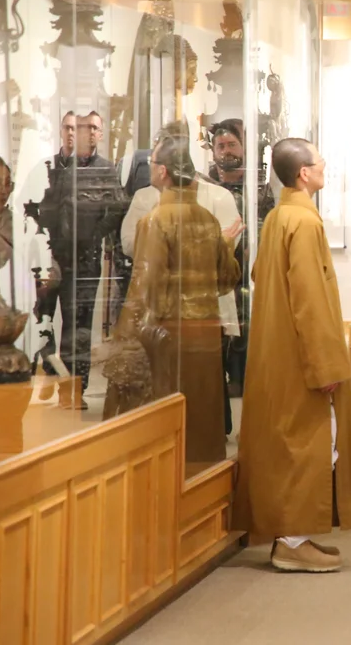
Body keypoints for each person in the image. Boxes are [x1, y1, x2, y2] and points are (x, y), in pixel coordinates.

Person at [232, 138, 351, 574]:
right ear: (304, 173)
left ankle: (295, 534)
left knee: (291, 440)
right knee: (308, 443)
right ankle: (290, 540)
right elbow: (309, 298)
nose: (324, 166)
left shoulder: (278, 217)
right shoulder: (303, 223)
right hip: (299, 353)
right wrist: (324, 363)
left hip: (278, 347)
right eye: (320, 161)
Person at [110, 135, 242, 464]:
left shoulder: (157, 220)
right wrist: (224, 247)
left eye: (154, 163)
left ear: (164, 172)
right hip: (205, 330)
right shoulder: (208, 220)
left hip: (168, 333)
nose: (150, 169)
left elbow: (145, 287)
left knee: (168, 428)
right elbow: (226, 280)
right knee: (203, 418)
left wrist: (124, 340)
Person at [24, 111, 127, 408]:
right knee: (43, 317)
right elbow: (28, 207)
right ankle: (50, 373)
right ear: (62, 130)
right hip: (48, 257)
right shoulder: (46, 167)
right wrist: (39, 240)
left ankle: (73, 391)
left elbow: (117, 208)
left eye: (93, 127)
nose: (82, 133)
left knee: (78, 326)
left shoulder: (106, 170)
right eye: (75, 127)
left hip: (84, 260)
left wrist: (95, 236)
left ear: (101, 133)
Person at [206, 118, 275, 398]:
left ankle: (243, 380)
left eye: (232, 144)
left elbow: (267, 222)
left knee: (247, 323)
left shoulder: (259, 186)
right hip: (214, 269)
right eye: (220, 146)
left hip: (248, 268)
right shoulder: (204, 185)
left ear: (243, 148)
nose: (226, 151)